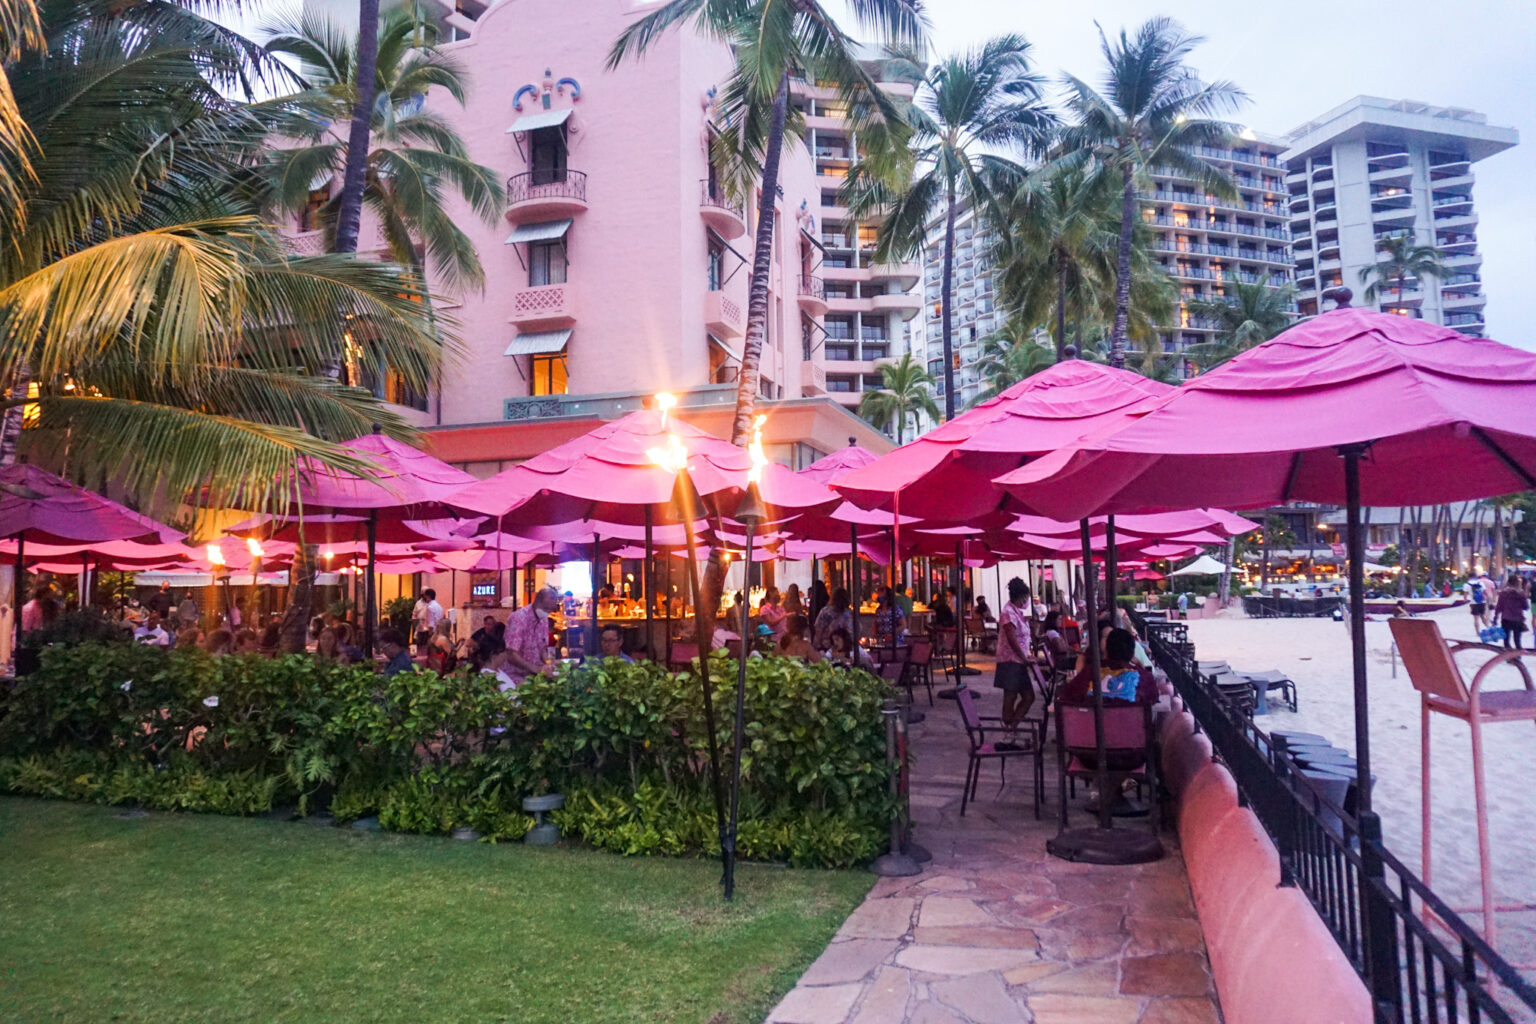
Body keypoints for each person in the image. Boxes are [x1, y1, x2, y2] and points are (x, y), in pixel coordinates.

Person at [1060, 627, 1158, 707]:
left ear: (1106, 651)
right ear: (1132, 653)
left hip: (1093, 730)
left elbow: (1066, 698)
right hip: (1131, 729)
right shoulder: (1144, 677)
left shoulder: (1089, 672)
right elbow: (1153, 700)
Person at [993, 578, 1035, 734]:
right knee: (1010, 696)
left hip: (1019, 661)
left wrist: (1027, 657)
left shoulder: (1017, 613)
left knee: (1028, 696)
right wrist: (1024, 658)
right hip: (1010, 661)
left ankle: (1011, 727)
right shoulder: (1008, 613)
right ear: (1023, 597)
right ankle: (1008, 729)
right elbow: (1012, 640)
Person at [502, 585, 559, 688]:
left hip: (534, 675)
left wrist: (548, 664)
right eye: (545, 608)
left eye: (550, 610)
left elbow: (542, 648)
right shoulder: (519, 618)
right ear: (537, 601)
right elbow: (510, 653)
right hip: (515, 676)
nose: (547, 612)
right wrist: (534, 668)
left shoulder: (543, 620)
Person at [1496, 575, 1529, 651]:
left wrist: (1495, 618)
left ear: (1508, 582)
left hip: (1506, 619)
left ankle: (1509, 657)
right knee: (1517, 641)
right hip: (1518, 619)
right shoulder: (1521, 594)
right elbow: (1526, 607)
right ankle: (1518, 655)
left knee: (1506, 640)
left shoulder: (1503, 593)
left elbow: (1499, 607)